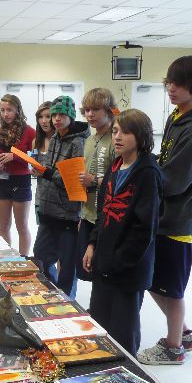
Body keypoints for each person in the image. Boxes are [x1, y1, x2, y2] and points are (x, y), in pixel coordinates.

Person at [137, 55, 192, 365]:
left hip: (178, 220)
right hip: (162, 216)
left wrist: (143, 176)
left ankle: (173, 347)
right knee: (154, 281)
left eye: (179, 83)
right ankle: (183, 333)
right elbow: (165, 161)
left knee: (172, 288)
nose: (171, 88)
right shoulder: (177, 116)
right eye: (169, 82)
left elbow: (174, 182)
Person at [83, 109, 162, 355]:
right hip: (104, 262)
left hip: (127, 269)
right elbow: (103, 211)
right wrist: (92, 244)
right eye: (115, 131)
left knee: (122, 332)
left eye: (125, 132)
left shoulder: (148, 173)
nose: (117, 137)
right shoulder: (115, 166)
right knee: (99, 325)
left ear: (141, 136)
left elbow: (143, 230)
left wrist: (117, 262)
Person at [32, 95, 90, 297]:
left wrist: (47, 173)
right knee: (40, 257)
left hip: (68, 214)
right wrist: (41, 170)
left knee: (67, 265)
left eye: (62, 115)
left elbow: (74, 180)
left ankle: (67, 303)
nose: (56, 119)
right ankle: (52, 295)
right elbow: (51, 169)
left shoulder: (79, 142)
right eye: (54, 114)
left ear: (71, 116)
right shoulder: (55, 137)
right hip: (48, 210)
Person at [76, 88, 119, 282]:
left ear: (109, 110)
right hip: (88, 214)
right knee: (88, 270)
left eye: (95, 109)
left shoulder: (116, 140)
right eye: (87, 110)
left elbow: (121, 181)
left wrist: (94, 180)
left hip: (106, 218)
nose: (90, 114)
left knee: (103, 273)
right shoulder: (89, 140)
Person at [0, 94, 36, 256]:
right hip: (1, 181)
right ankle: (6, 260)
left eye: (9, 110)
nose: (5, 114)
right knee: (3, 226)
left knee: (22, 226)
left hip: (21, 181)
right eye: (2, 110)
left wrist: (14, 156)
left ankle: (23, 260)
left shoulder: (29, 132)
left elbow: (34, 157)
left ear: (18, 111)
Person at [32, 101, 54, 223]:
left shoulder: (62, 141)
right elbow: (32, 164)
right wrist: (33, 171)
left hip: (59, 200)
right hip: (41, 196)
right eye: (40, 117)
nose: (44, 121)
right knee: (42, 231)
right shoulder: (36, 141)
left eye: (48, 116)